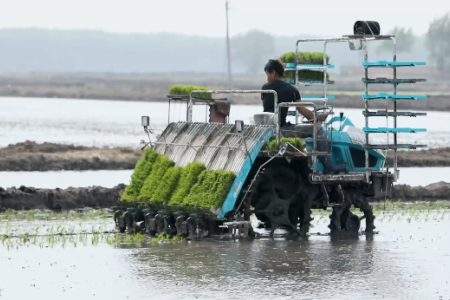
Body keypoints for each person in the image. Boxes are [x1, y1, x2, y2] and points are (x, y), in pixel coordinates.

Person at [261, 59, 347, 174]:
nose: (267, 77)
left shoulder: (265, 88)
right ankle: (328, 165)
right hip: (282, 130)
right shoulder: (291, 90)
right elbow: (302, 110)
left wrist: (279, 66)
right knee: (318, 128)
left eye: (267, 74)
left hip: (269, 129)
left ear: (273, 73)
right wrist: (316, 118)